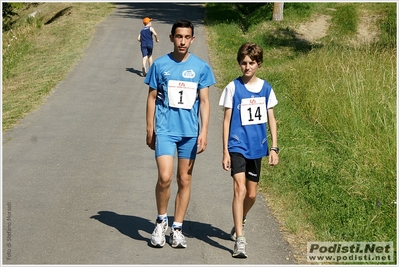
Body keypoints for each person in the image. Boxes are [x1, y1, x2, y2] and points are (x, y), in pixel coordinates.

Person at [145, 19, 216, 249]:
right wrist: (150, 128)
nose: (182, 41)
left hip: (189, 133)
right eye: (178, 36)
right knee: (165, 177)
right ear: (171, 38)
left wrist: (204, 131)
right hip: (165, 130)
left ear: (192, 39)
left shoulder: (201, 67)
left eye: (187, 37)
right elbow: (152, 97)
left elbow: (204, 102)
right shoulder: (160, 65)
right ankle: (161, 221)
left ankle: (177, 228)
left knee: (184, 179)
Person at [219, 42, 279, 258]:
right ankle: (240, 240)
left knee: (252, 195)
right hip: (237, 145)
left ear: (259, 64)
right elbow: (226, 120)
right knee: (240, 190)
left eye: (251, 63)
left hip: (258, 147)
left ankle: (240, 219)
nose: (247, 67)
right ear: (239, 64)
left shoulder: (266, 88)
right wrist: (225, 151)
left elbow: (271, 118)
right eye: (243, 63)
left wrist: (274, 148)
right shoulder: (232, 88)